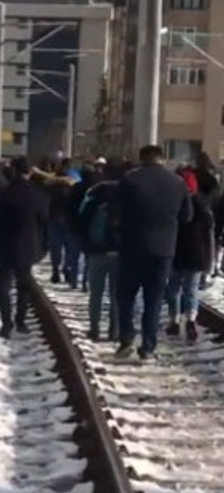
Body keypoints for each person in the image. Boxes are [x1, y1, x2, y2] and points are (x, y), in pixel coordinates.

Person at [114, 145, 193, 360]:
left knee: (126, 296)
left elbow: (115, 212)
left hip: (132, 247)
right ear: (162, 159)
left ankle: (126, 339)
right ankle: (148, 346)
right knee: (154, 299)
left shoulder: (129, 180)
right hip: (164, 250)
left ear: (142, 159)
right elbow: (187, 216)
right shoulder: (178, 183)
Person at [0, 158, 49, 338]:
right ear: (29, 172)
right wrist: (43, 244)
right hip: (28, 245)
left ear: (14, 170)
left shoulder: (4, 192)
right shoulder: (38, 194)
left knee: (4, 286)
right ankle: (21, 320)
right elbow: (44, 221)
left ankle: (6, 322)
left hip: (6, 245)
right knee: (24, 284)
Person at [166, 168, 214, 344]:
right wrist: (209, 261)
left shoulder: (174, 207)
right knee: (191, 290)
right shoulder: (203, 211)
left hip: (176, 254)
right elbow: (209, 237)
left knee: (173, 289)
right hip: (196, 256)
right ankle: (191, 320)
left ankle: (174, 320)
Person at [75, 166, 121, 341]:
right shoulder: (125, 201)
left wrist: (86, 245)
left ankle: (94, 328)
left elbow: (81, 223)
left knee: (96, 294)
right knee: (116, 294)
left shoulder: (93, 199)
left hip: (96, 253)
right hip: (117, 253)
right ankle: (114, 330)